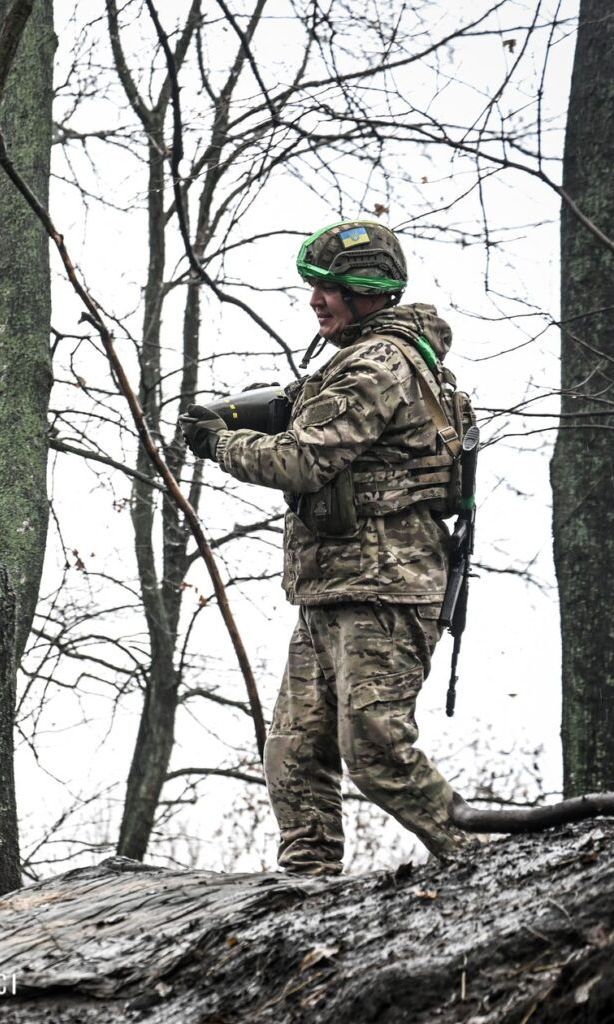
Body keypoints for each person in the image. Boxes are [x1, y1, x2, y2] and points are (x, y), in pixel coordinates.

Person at [183, 220, 472, 874]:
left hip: (384, 591)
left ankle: (483, 865)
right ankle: (306, 888)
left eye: (332, 288)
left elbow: (303, 462)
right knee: (294, 750)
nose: (317, 299)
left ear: (370, 293)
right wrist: (227, 411)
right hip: (334, 590)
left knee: (376, 754)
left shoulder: (377, 363)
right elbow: (294, 408)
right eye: (314, 286)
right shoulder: (360, 358)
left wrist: (216, 443)